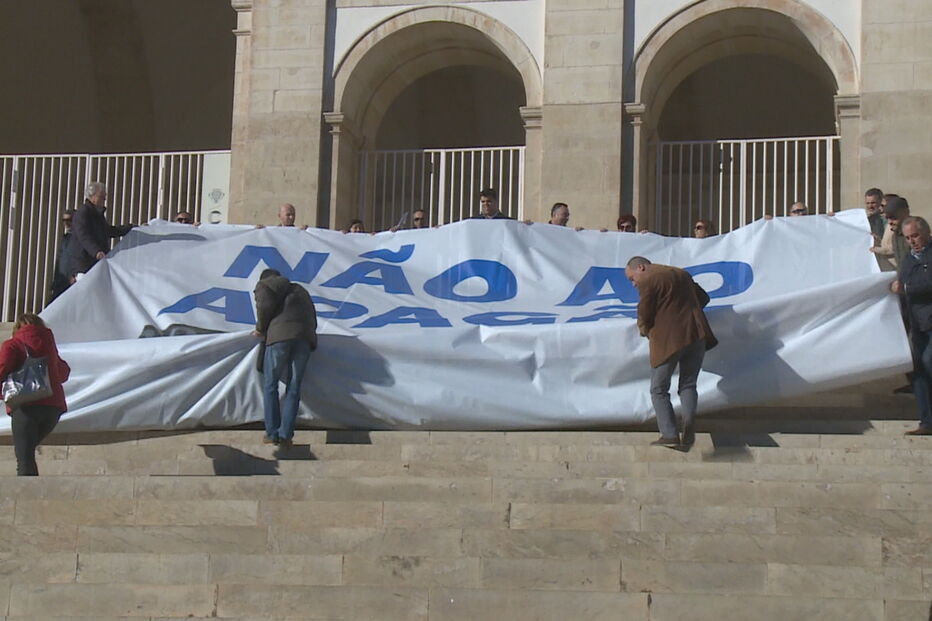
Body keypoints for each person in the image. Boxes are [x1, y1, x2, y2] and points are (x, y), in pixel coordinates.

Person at [625, 256, 718, 448]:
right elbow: (704, 298)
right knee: (688, 384)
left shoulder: (649, 279)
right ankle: (689, 422)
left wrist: (644, 329)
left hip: (669, 340)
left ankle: (669, 434)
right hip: (697, 334)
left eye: (631, 278)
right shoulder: (681, 273)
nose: (633, 284)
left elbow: (645, 311)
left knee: (658, 389)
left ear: (641, 267)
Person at [253, 269, 318, 448]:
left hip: (279, 338)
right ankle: (286, 434)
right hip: (304, 339)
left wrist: (260, 328)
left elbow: (263, 308)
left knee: (271, 385)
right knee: (294, 387)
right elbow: (313, 315)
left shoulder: (265, 286)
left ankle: (272, 432)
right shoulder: (300, 290)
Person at [0, 314, 70, 475]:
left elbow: (2, 368)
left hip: (26, 407)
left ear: (17, 327)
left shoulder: (13, 344)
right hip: (53, 410)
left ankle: (23, 496)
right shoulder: (50, 346)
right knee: (27, 452)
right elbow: (64, 372)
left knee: (24, 458)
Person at [892, 216, 932, 435]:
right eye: (908, 238)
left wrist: (906, 288)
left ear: (926, 232)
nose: (912, 241)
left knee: (928, 363)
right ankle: (927, 422)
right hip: (917, 324)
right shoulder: (908, 259)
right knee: (917, 370)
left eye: (915, 236)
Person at [68, 181, 135, 278]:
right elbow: (83, 236)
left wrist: (131, 228)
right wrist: (96, 251)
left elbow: (108, 231)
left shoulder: (97, 214)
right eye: (102, 197)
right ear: (93, 197)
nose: (104, 199)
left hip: (95, 263)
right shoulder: (83, 213)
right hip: (84, 264)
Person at [49, 210, 74, 301]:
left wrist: (73, 275)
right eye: (64, 220)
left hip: (70, 281)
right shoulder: (66, 237)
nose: (66, 223)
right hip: (60, 281)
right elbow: (60, 261)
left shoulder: (78, 238)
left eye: (69, 220)